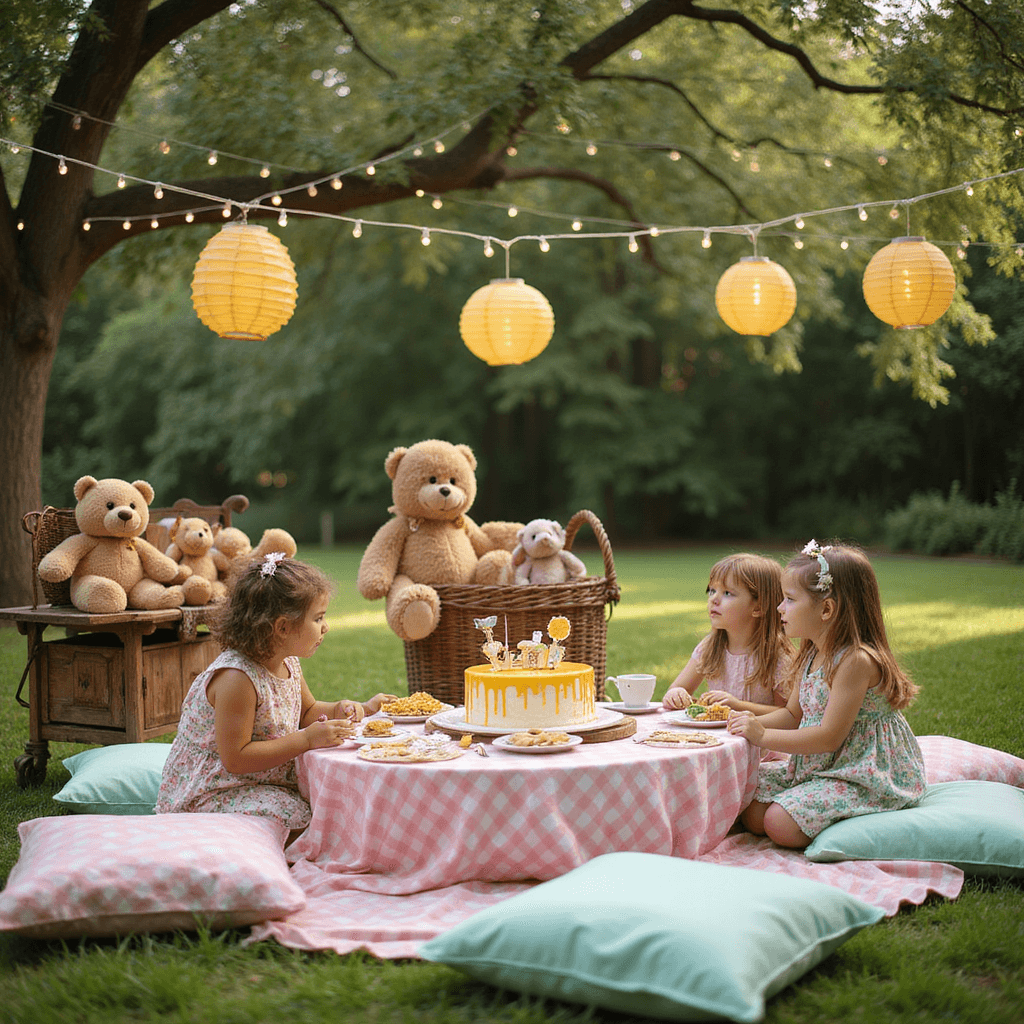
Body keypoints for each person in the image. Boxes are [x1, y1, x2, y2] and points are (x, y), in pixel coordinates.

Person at [156, 553, 395, 839]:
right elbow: (236, 758)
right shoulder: (238, 678)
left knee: (329, 805)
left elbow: (307, 712)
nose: (326, 627)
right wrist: (306, 740)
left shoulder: (287, 662)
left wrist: (349, 708)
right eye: (318, 618)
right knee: (306, 818)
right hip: (214, 792)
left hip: (253, 782)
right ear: (282, 628)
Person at [728, 540, 927, 849]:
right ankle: (810, 807)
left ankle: (854, 820)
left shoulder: (855, 661)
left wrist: (762, 736)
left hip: (862, 772)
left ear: (827, 609)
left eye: (790, 599)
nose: (780, 608)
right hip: (821, 765)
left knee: (777, 823)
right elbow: (793, 716)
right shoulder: (810, 652)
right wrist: (745, 716)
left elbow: (829, 737)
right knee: (749, 805)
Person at [662, 553, 791, 715]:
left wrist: (737, 706)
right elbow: (678, 688)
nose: (714, 599)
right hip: (718, 738)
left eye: (727, 593)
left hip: (758, 738)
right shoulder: (710, 647)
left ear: (759, 607)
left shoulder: (776, 656)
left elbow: (787, 716)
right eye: (712, 591)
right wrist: (676, 694)